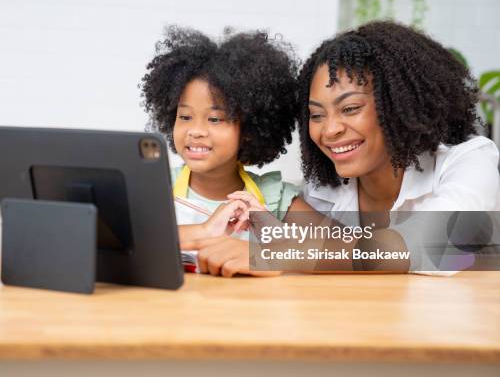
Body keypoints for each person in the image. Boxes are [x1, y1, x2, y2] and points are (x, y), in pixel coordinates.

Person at [190, 21, 500, 276]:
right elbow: (337, 257)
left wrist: (282, 252)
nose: (330, 129)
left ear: (399, 105)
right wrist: (278, 236)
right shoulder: (326, 187)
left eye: (350, 108)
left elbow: (430, 244)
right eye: (316, 115)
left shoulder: (470, 160)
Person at [140, 26, 300, 246]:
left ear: (249, 131)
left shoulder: (275, 198)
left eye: (214, 119)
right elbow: (119, 242)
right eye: (185, 116)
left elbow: (355, 249)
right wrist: (204, 231)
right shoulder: (155, 187)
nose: (195, 131)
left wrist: (276, 237)